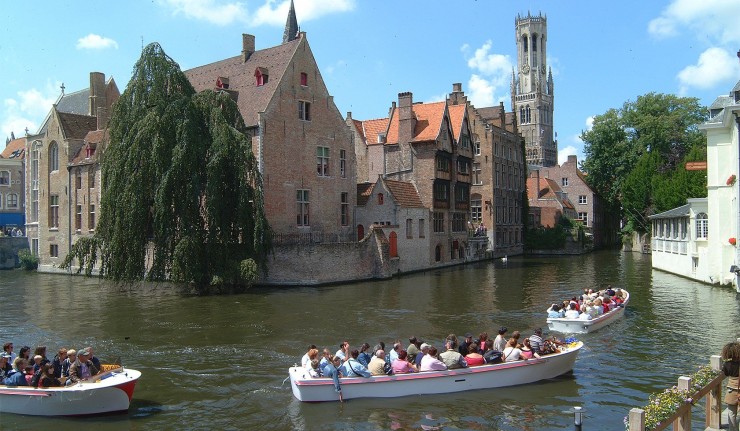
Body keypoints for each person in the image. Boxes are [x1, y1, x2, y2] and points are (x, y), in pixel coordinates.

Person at [722, 341, 740, 431]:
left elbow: (725, 373)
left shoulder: (727, 365)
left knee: (731, 413)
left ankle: (733, 429)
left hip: (731, 390)